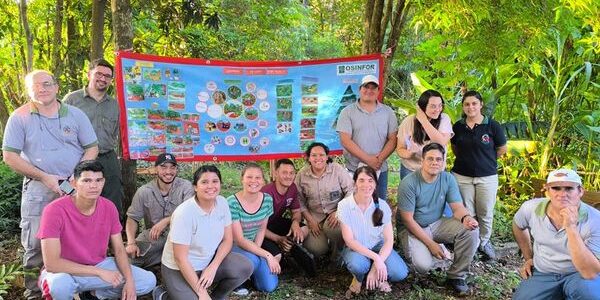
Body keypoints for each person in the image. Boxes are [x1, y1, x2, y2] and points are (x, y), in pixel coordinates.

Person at [2, 70, 99, 299]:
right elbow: (10, 156)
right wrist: (45, 177)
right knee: (35, 240)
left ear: (57, 87)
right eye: (36, 86)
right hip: (39, 185)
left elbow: (91, 147)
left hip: (75, 185)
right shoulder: (19, 117)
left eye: (46, 84)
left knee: (78, 236)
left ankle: (82, 286)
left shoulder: (75, 114)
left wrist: (77, 176)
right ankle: (34, 291)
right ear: (28, 90)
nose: (42, 89)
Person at [37, 160, 156, 299]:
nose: (94, 186)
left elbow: (118, 249)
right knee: (59, 286)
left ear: (103, 182)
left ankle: (93, 294)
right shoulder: (54, 210)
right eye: (87, 180)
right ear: (74, 183)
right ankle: (73, 292)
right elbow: (52, 264)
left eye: (98, 180)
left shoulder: (109, 207)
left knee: (147, 281)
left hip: (99, 265)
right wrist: (98, 272)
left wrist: (129, 282)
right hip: (66, 271)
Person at [157, 165, 253, 300]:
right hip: (179, 269)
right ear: (195, 187)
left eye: (215, 181)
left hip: (207, 263)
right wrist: (202, 294)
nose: (210, 186)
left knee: (244, 266)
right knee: (196, 296)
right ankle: (165, 294)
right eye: (204, 182)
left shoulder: (222, 203)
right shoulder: (184, 213)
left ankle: (217, 297)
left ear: (220, 184)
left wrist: (212, 267)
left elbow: (227, 240)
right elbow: (181, 259)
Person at [397, 143, 479, 295]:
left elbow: (457, 207)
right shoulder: (409, 183)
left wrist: (466, 218)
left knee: (471, 231)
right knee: (423, 266)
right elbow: (407, 220)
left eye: (438, 159)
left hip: (436, 223)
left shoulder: (448, 179)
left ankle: (456, 276)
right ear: (422, 161)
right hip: (414, 228)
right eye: (430, 159)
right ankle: (417, 252)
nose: (434, 162)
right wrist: (431, 244)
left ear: (443, 162)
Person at [512, 169, 600, 299]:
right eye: (556, 188)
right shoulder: (530, 208)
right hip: (544, 271)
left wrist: (571, 227)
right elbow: (518, 225)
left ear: (580, 191)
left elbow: (590, 273)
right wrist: (528, 257)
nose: (562, 194)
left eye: (569, 188)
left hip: (578, 273)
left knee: (591, 296)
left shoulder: (596, 219)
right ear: (547, 191)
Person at [451, 91, 507, 260]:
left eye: (474, 103)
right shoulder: (458, 126)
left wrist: (485, 161)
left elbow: (501, 149)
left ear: (481, 105)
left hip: (487, 176)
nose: (471, 107)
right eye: (467, 104)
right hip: (462, 176)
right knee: (468, 212)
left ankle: (484, 241)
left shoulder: (493, 126)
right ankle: (472, 243)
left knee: (485, 211)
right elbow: (454, 148)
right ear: (463, 107)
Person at [64, 59, 123, 216]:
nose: (103, 79)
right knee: (76, 197)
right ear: (89, 74)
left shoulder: (114, 105)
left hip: (107, 157)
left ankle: (111, 238)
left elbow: (116, 132)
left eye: (107, 76)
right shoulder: (71, 100)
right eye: (99, 74)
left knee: (113, 199)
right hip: (79, 158)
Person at [338, 166, 408, 297]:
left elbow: (388, 240)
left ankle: (378, 274)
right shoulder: (344, 205)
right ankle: (358, 278)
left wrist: (377, 266)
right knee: (357, 266)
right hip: (356, 248)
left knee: (400, 273)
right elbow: (349, 240)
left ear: (375, 184)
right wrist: (377, 259)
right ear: (355, 183)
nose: (366, 185)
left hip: (378, 246)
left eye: (370, 180)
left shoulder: (382, 205)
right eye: (361, 180)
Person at [124, 153, 195, 269]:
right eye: (163, 167)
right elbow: (132, 218)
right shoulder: (144, 191)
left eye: (172, 167)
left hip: (182, 235)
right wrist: (131, 242)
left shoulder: (185, 187)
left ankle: (163, 264)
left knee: (190, 257)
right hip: (155, 237)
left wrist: (166, 221)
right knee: (129, 258)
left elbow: (191, 212)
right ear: (155, 168)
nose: (168, 171)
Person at [336, 74, 398, 200]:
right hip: (354, 169)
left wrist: (378, 160)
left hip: (380, 169)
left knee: (378, 206)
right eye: (366, 87)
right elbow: (345, 140)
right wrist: (368, 160)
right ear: (360, 89)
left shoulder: (388, 112)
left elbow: (393, 139)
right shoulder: (347, 112)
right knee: (355, 206)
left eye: (373, 88)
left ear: (378, 91)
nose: (369, 91)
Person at [295, 142, 353, 260]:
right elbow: (298, 200)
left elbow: (351, 190)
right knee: (316, 249)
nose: (318, 158)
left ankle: (338, 254)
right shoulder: (302, 175)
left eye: (321, 155)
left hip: (336, 213)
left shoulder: (337, 169)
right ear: (308, 158)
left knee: (336, 230)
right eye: (314, 155)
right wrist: (310, 220)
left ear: (327, 157)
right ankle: (326, 248)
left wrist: (339, 211)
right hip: (315, 217)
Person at [228, 163, 279, 293]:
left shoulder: (267, 200)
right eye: (249, 177)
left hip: (251, 246)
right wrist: (267, 255)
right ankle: (235, 280)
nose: (253, 181)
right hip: (231, 247)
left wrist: (257, 250)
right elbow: (239, 240)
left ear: (263, 180)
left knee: (269, 287)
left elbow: (261, 229)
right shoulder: (232, 202)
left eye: (258, 177)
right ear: (242, 179)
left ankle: (251, 274)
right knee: (254, 260)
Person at [260, 158, 316, 276]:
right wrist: (278, 239)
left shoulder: (292, 188)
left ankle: (290, 248)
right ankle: (281, 252)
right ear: (276, 173)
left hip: (275, 223)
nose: (288, 176)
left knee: (303, 229)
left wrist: (295, 223)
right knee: (276, 258)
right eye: (284, 172)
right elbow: (258, 226)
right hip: (260, 230)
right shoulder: (266, 193)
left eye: (291, 173)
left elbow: (296, 212)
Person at [396, 89, 453, 179]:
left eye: (440, 105)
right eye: (433, 106)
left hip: (435, 170)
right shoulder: (409, 121)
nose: (438, 110)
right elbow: (400, 149)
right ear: (422, 107)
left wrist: (423, 120)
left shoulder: (444, 119)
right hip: (411, 170)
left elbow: (441, 143)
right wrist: (410, 153)